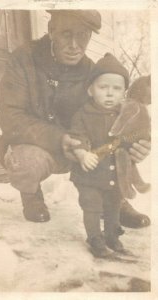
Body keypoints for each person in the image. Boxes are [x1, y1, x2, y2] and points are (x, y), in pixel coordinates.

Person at [0, 10, 150, 227]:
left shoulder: (92, 71)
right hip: (36, 146)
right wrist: (60, 138)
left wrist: (134, 141)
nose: (74, 45)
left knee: (112, 146)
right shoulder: (23, 59)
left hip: (78, 147)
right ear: (51, 31)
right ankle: (31, 196)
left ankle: (114, 202)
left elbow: (108, 117)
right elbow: (11, 118)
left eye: (83, 36)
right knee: (27, 162)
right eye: (66, 34)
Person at [69, 53, 150, 258]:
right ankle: (95, 238)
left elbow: (137, 135)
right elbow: (77, 136)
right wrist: (82, 154)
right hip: (90, 174)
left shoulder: (124, 115)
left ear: (124, 92)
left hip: (114, 173)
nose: (109, 94)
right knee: (92, 205)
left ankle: (112, 235)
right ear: (90, 89)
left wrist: (139, 142)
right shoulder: (83, 114)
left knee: (114, 204)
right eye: (103, 87)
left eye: (116, 89)